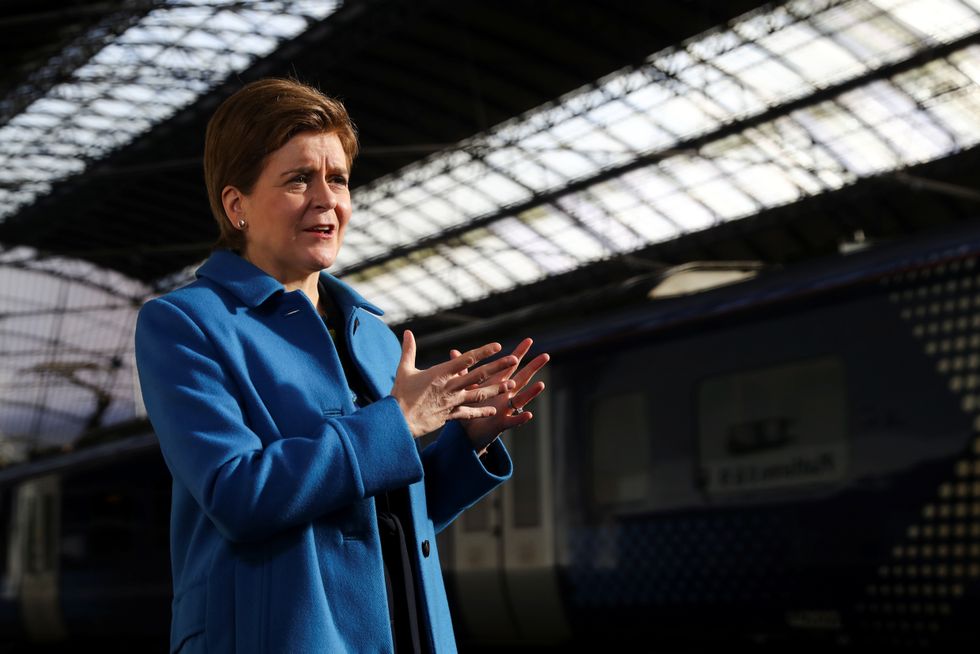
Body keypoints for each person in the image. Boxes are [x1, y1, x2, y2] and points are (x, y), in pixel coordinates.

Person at [134, 77, 549, 654]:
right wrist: (398, 423)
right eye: (299, 178)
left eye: (338, 179)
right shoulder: (186, 325)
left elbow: (387, 521)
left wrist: (465, 443)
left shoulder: (374, 337)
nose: (327, 199)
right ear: (237, 206)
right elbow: (238, 496)